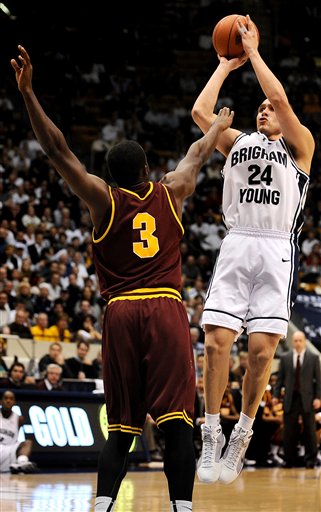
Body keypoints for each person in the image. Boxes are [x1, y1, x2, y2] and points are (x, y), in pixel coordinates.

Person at [11, 45, 234, 512]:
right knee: (177, 424)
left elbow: (57, 149)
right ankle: (181, 507)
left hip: (120, 313)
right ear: (148, 171)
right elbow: (197, 152)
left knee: (121, 429)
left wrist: (29, 93)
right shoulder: (172, 191)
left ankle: (104, 505)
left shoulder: (101, 200)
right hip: (165, 309)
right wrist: (217, 124)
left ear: (110, 176)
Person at [191, 14, 315, 484]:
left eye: (270, 108)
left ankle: (242, 433)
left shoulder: (301, 146)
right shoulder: (238, 142)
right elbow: (201, 114)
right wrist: (225, 64)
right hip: (238, 241)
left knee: (262, 353)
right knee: (217, 340)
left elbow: (281, 97)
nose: (264, 110)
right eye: (259, 108)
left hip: (277, 249)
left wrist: (256, 54)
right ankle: (211, 433)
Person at [272, 330, 321, 468]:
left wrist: (318, 397)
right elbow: (280, 379)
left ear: (304, 341)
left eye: (300, 340)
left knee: (310, 431)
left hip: (308, 399)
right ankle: (289, 460)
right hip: (290, 399)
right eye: (295, 340)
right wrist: (275, 396)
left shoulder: (313, 357)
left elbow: (319, 380)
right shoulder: (285, 357)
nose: (298, 343)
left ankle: (311, 460)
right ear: (292, 342)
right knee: (289, 431)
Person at [0, 389, 37, 473]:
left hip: (10, 450)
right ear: (1, 401)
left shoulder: (19, 418)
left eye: (11, 399)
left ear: (14, 402)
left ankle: (22, 462)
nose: (8, 401)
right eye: (6, 398)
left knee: (28, 443)